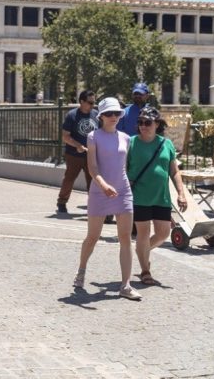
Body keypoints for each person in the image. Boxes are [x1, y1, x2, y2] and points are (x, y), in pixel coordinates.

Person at [74, 97, 142, 300]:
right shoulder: (93, 136)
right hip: (99, 191)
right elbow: (92, 167)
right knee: (92, 237)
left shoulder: (126, 138)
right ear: (101, 116)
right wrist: (103, 185)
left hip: (123, 190)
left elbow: (122, 166)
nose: (114, 117)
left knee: (125, 238)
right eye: (109, 114)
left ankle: (126, 285)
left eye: (117, 113)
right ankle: (81, 269)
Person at [127, 107, 187, 285]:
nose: (143, 126)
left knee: (163, 234)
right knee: (143, 234)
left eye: (147, 123)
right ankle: (145, 271)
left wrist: (181, 193)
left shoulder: (166, 144)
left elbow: (174, 171)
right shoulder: (130, 143)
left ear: (157, 124)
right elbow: (122, 170)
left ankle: (142, 252)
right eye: (140, 123)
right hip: (140, 197)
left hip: (162, 197)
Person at [56, 90, 98, 214]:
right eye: (90, 102)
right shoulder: (72, 115)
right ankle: (62, 202)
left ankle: (94, 205)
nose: (92, 105)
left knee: (93, 182)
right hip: (74, 155)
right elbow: (65, 136)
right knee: (69, 179)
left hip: (91, 154)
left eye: (94, 102)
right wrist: (78, 146)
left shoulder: (96, 115)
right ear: (81, 102)